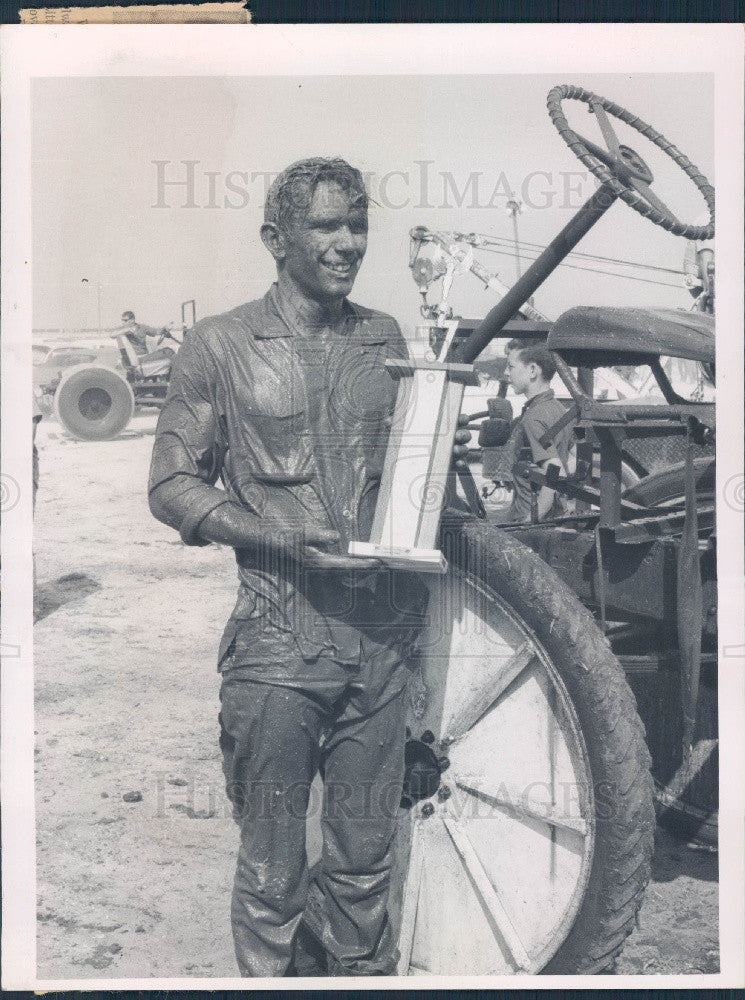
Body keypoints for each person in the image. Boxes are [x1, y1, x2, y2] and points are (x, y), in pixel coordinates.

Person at [148, 157, 470, 978]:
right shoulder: (219, 344)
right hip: (274, 649)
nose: (347, 244)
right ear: (275, 238)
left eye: (357, 226)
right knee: (271, 875)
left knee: (365, 869)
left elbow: (404, 482)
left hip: (379, 653)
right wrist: (273, 537)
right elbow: (171, 484)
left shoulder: (385, 337)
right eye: (326, 227)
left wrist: (437, 457)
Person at [497, 338, 575, 523]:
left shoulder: (534, 417)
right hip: (553, 517)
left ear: (532, 370)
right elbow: (574, 456)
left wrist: (530, 522)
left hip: (528, 519)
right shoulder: (557, 408)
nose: (506, 373)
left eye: (511, 367)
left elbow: (555, 473)